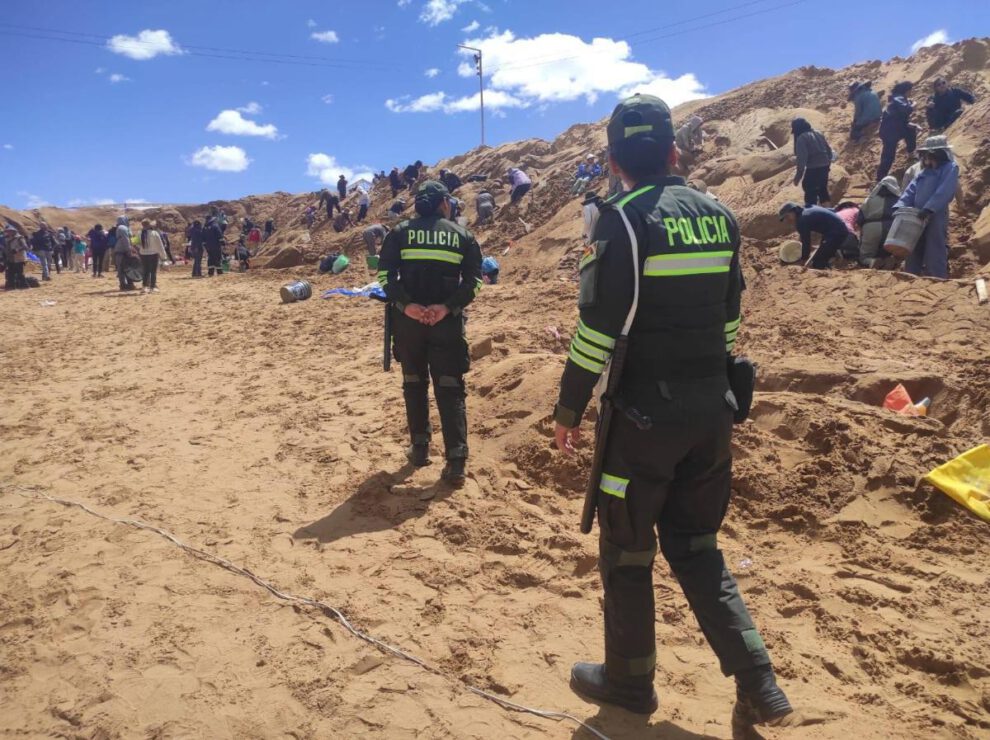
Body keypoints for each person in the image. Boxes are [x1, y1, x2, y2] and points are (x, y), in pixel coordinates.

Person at [554, 94, 794, 728]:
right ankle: (758, 681)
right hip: (711, 409)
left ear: (612, 161)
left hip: (641, 423)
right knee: (697, 546)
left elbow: (596, 330)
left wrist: (569, 408)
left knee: (628, 555)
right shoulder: (720, 216)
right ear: (674, 152)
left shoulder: (619, 220)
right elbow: (730, 316)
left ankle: (630, 686)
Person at [377, 180, 483, 484]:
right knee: (450, 387)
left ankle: (420, 448)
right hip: (446, 323)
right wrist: (446, 307)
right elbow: (475, 282)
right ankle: (457, 461)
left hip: (408, 322)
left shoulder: (398, 233)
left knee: (413, 382)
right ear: (444, 204)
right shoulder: (463, 235)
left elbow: (385, 275)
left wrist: (406, 304)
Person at [895, 135, 959, 279]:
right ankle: (911, 275)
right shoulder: (925, 170)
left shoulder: (950, 168)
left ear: (938, 153)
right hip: (916, 214)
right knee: (913, 244)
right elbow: (912, 189)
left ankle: (937, 277)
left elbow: (944, 191)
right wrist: (902, 205)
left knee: (935, 244)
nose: (926, 158)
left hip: (935, 214)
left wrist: (929, 208)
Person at [778, 201, 859, 269]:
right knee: (823, 249)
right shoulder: (808, 209)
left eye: (787, 216)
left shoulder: (802, 220)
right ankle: (834, 253)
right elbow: (830, 211)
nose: (787, 220)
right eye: (785, 218)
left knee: (817, 263)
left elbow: (806, 243)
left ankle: (829, 268)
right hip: (835, 231)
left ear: (794, 211)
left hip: (836, 233)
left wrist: (803, 259)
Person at [877, 81, 918, 181]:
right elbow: (906, 110)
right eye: (910, 90)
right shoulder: (898, 98)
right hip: (891, 130)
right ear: (907, 90)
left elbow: (900, 117)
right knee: (889, 155)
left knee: (910, 131)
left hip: (894, 129)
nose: (911, 93)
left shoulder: (898, 98)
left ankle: (911, 154)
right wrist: (913, 104)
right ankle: (881, 178)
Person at [857, 177, 902, 267]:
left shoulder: (870, 199)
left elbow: (860, 219)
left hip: (872, 226)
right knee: (890, 251)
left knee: (864, 257)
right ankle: (891, 260)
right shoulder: (900, 200)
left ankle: (871, 261)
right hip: (893, 227)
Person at [791, 118, 832, 207]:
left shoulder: (802, 138)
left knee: (809, 189)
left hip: (813, 168)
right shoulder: (818, 133)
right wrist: (828, 165)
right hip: (824, 166)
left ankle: (811, 212)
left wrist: (797, 177)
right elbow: (829, 151)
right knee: (822, 190)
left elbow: (802, 160)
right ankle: (829, 212)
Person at [138, 219, 167, 293]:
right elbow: (160, 245)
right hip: (153, 254)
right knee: (153, 271)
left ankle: (144, 287)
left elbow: (135, 243)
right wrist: (164, 257)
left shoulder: (139, 233)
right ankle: (153, 287)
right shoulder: (154, 233)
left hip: (143, 254)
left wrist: (141, 249)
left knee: (145, 271)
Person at [113, 216, 136, 291]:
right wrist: (129, 250)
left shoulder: (125, 228)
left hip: (122, 250)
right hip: (122, 251)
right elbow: (126, 239)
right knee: (124, 268)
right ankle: (125, 284)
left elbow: (132, 239)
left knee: (125, 268)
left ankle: (127, 284)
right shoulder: (122, 228)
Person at [3, 224, 28, 290]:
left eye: (9, 231)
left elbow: (25, 247)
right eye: (7, 231)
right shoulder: (7, 238)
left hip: (18, 258)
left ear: (13, 231)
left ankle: (24, 286)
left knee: (19, 273)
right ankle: (11, 286)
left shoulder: (20, 238)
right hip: (10, 258)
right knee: (10, 273)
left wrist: (17, 250)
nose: (8, 232)